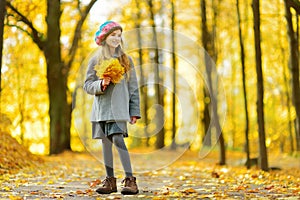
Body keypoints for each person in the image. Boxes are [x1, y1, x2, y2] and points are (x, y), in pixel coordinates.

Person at [83, 21, 140, 195]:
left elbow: (133, 87)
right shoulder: (96, 59)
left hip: (119, 109)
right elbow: (87, 85)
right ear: (105, 38)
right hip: (101, 109)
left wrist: (134, 111)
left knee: (117, 139)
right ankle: (110, 181)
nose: (117, 38)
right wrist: (100, 84)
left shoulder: (125, 59)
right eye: (113, 35)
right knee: (106, 144)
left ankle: (130, 180)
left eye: (119, 35)